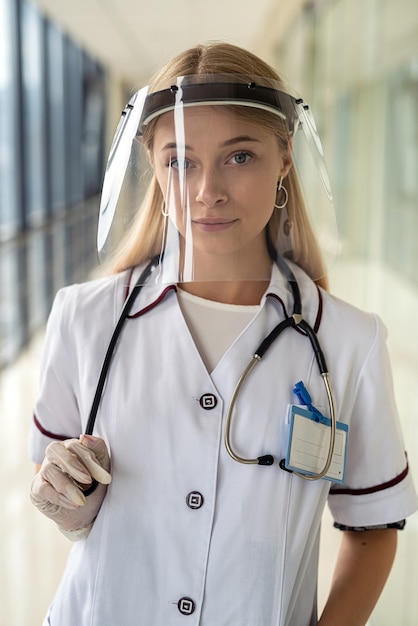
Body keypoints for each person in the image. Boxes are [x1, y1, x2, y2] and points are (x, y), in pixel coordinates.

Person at [29, 41, 417, 626]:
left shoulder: (346, 342)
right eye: (180, 160)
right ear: (154, 169)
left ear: (285, 156)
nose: (207, 189)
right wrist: (62, 496)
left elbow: (372, 528)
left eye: (240, 157)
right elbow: (58, 486)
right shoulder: (84, 318)